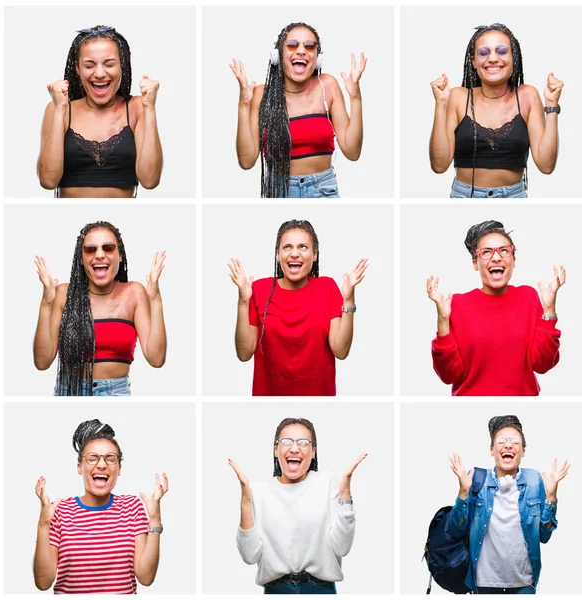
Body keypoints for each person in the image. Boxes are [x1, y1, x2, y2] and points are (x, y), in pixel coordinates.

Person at [228, 219, 368, 395]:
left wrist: (348, 300)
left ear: (315, 254)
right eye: (287, 247)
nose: (294, 253)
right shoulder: (259, 289)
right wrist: (243, 302)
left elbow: (340, 351)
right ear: (278, 254)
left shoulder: (327, 288)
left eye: (303, 247)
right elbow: (244, 354)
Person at [229, 417, 366, 594]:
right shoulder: (258, 491)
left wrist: (345, 497)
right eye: (286, 442)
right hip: (276, 590)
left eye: (303, 442)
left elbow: (342, 548)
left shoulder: (328, 483)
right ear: (276, 449)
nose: (294, 448)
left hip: (320, 590)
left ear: (313, 451)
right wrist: (246, 502)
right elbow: (249, 557)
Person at [427, 220, 564, 395]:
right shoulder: (457, 304)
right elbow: (448, 375)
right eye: (486, 252)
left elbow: (542, 364)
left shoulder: (527, 297)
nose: (497, 257)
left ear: (513, 260)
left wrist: (549, 309)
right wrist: (443, 320)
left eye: (504, 250)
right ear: (475, 263)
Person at [230, 22, 366, 198]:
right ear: (277, 55)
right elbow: (247, 161)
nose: (301, 50)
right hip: (279, 192)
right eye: (292, 45)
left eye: (310, 46)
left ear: (318, 58)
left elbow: (352, 152)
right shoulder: (262, 94)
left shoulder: (328, 86)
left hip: (323, 190)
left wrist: (356, 98)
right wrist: (244, 105)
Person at [33, 419, 168, 593]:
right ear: (79, 467)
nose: (102, 464)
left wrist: (155, 518)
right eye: (92, 458)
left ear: (119, 468)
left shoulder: (132, 507)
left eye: (110, 459)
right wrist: (43, 524)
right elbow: (43, 583)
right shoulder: (59, 511)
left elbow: (146, 578)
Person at [429, 23, 563, 198]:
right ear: (473, 61)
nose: (492, 58)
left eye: (501, 51)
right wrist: (440, 104)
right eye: (484, 53)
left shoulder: (527, 96)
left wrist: (552, 104)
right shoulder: (458, 97)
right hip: (464, 196)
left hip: (514, 196)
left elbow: (546, 165)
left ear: (514, 58)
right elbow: (439, 166)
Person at [33, 220, 166, 396]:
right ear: (81, 258)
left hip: (116, 393)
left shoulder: (134, 292)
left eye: (108, 247)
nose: (100, 255)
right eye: (90, 249)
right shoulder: (64, 294)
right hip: (70, 391)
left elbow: (156, 359)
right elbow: (42, 362)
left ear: (120, 255)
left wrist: (155, 299)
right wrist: (46, 304)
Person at [448, 415, 569, 594]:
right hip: (484, 584)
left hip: (524, 585)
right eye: (501, 441)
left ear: (524, 451)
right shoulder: (475, 479)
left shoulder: (535, 480)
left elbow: (544, 535)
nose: (508, 445)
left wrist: (551, 496)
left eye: (515, 442)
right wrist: (464, 492)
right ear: (491, 449)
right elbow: (456, 530)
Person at [38, 25, 163, 197]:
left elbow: (150, 181)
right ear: (77, 68)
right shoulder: (59, 109)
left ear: (122, 65)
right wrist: (59, 108)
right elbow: (48, 181)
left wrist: (149, 108)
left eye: (109, 64)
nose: (99, 73)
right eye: (89, 65)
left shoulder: (137, 108)